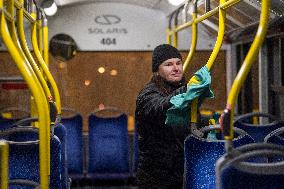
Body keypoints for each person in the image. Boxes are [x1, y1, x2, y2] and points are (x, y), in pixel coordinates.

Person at [135, 44, 190, 189]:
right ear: (157, 71)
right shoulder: (147, 94)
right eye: (168, 64)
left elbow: (187, 123)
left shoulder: (181, 90)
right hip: (156, 177)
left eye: (178, 63)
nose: (176, 68)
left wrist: (210, 123)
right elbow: (160, 107)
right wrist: (187, 91)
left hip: (180, 171)